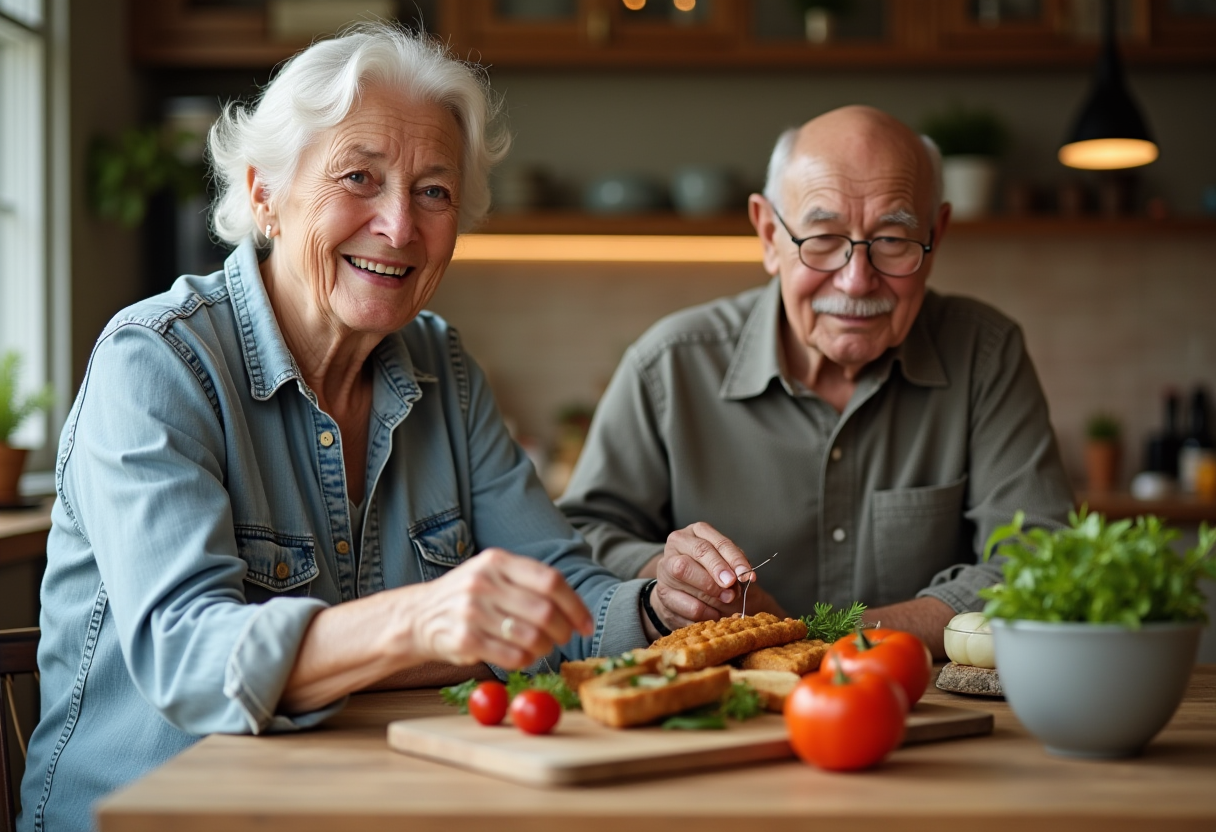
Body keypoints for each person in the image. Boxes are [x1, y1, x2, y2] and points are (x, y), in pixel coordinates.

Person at [21, 25, 656, 832]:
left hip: (367, 801)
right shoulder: (156, 362)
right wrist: (422, 621)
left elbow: (563, 596)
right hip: (157, 812)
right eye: (359, 177)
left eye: (434, 191)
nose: (399, 226)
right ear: (263, 194)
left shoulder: (443, 367)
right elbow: (190, 660)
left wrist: (660, 608)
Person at [558, 105, 1074, 658]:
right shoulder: (669, 365)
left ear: (936, 235)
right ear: (766, 233)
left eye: (893, 240)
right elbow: (581, 537)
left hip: (920, 708)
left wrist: (816, 638)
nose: (856, 280)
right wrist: (670, 574)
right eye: (823, 237)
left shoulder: (986, 354)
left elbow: (1039, 561)